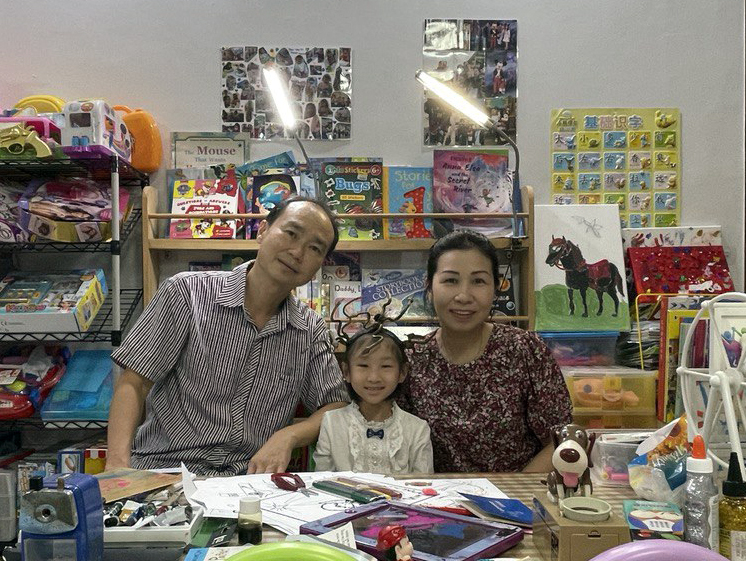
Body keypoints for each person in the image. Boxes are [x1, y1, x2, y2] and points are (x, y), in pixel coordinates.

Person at [107, 197, 348, 476]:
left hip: (247, 484)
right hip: (165, 470)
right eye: (291, 233)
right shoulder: (186, 293)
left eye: (314, 248)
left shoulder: (310, 329)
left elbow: (335, 406)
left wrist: (289, 435)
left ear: (318, 265)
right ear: (262, 231)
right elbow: (134, 382)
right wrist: (117, 466)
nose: (297, 252)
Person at [398, 230, 572, 473]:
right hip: (437, 501)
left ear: (495, 288)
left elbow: (561, 439)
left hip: (515, 502)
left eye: (478, 281)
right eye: (450, 280)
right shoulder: (411, 360)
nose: (463, 296)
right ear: (429, 287)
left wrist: (510, 494)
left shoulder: (524, 350)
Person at [313, 327, 433, 474]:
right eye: (363, 365)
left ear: (402, 372)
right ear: (346, 371)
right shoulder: (331, 423)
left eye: (386, 366)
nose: (374, 377)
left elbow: (424, 486)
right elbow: (323, 482)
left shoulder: (417, 429)